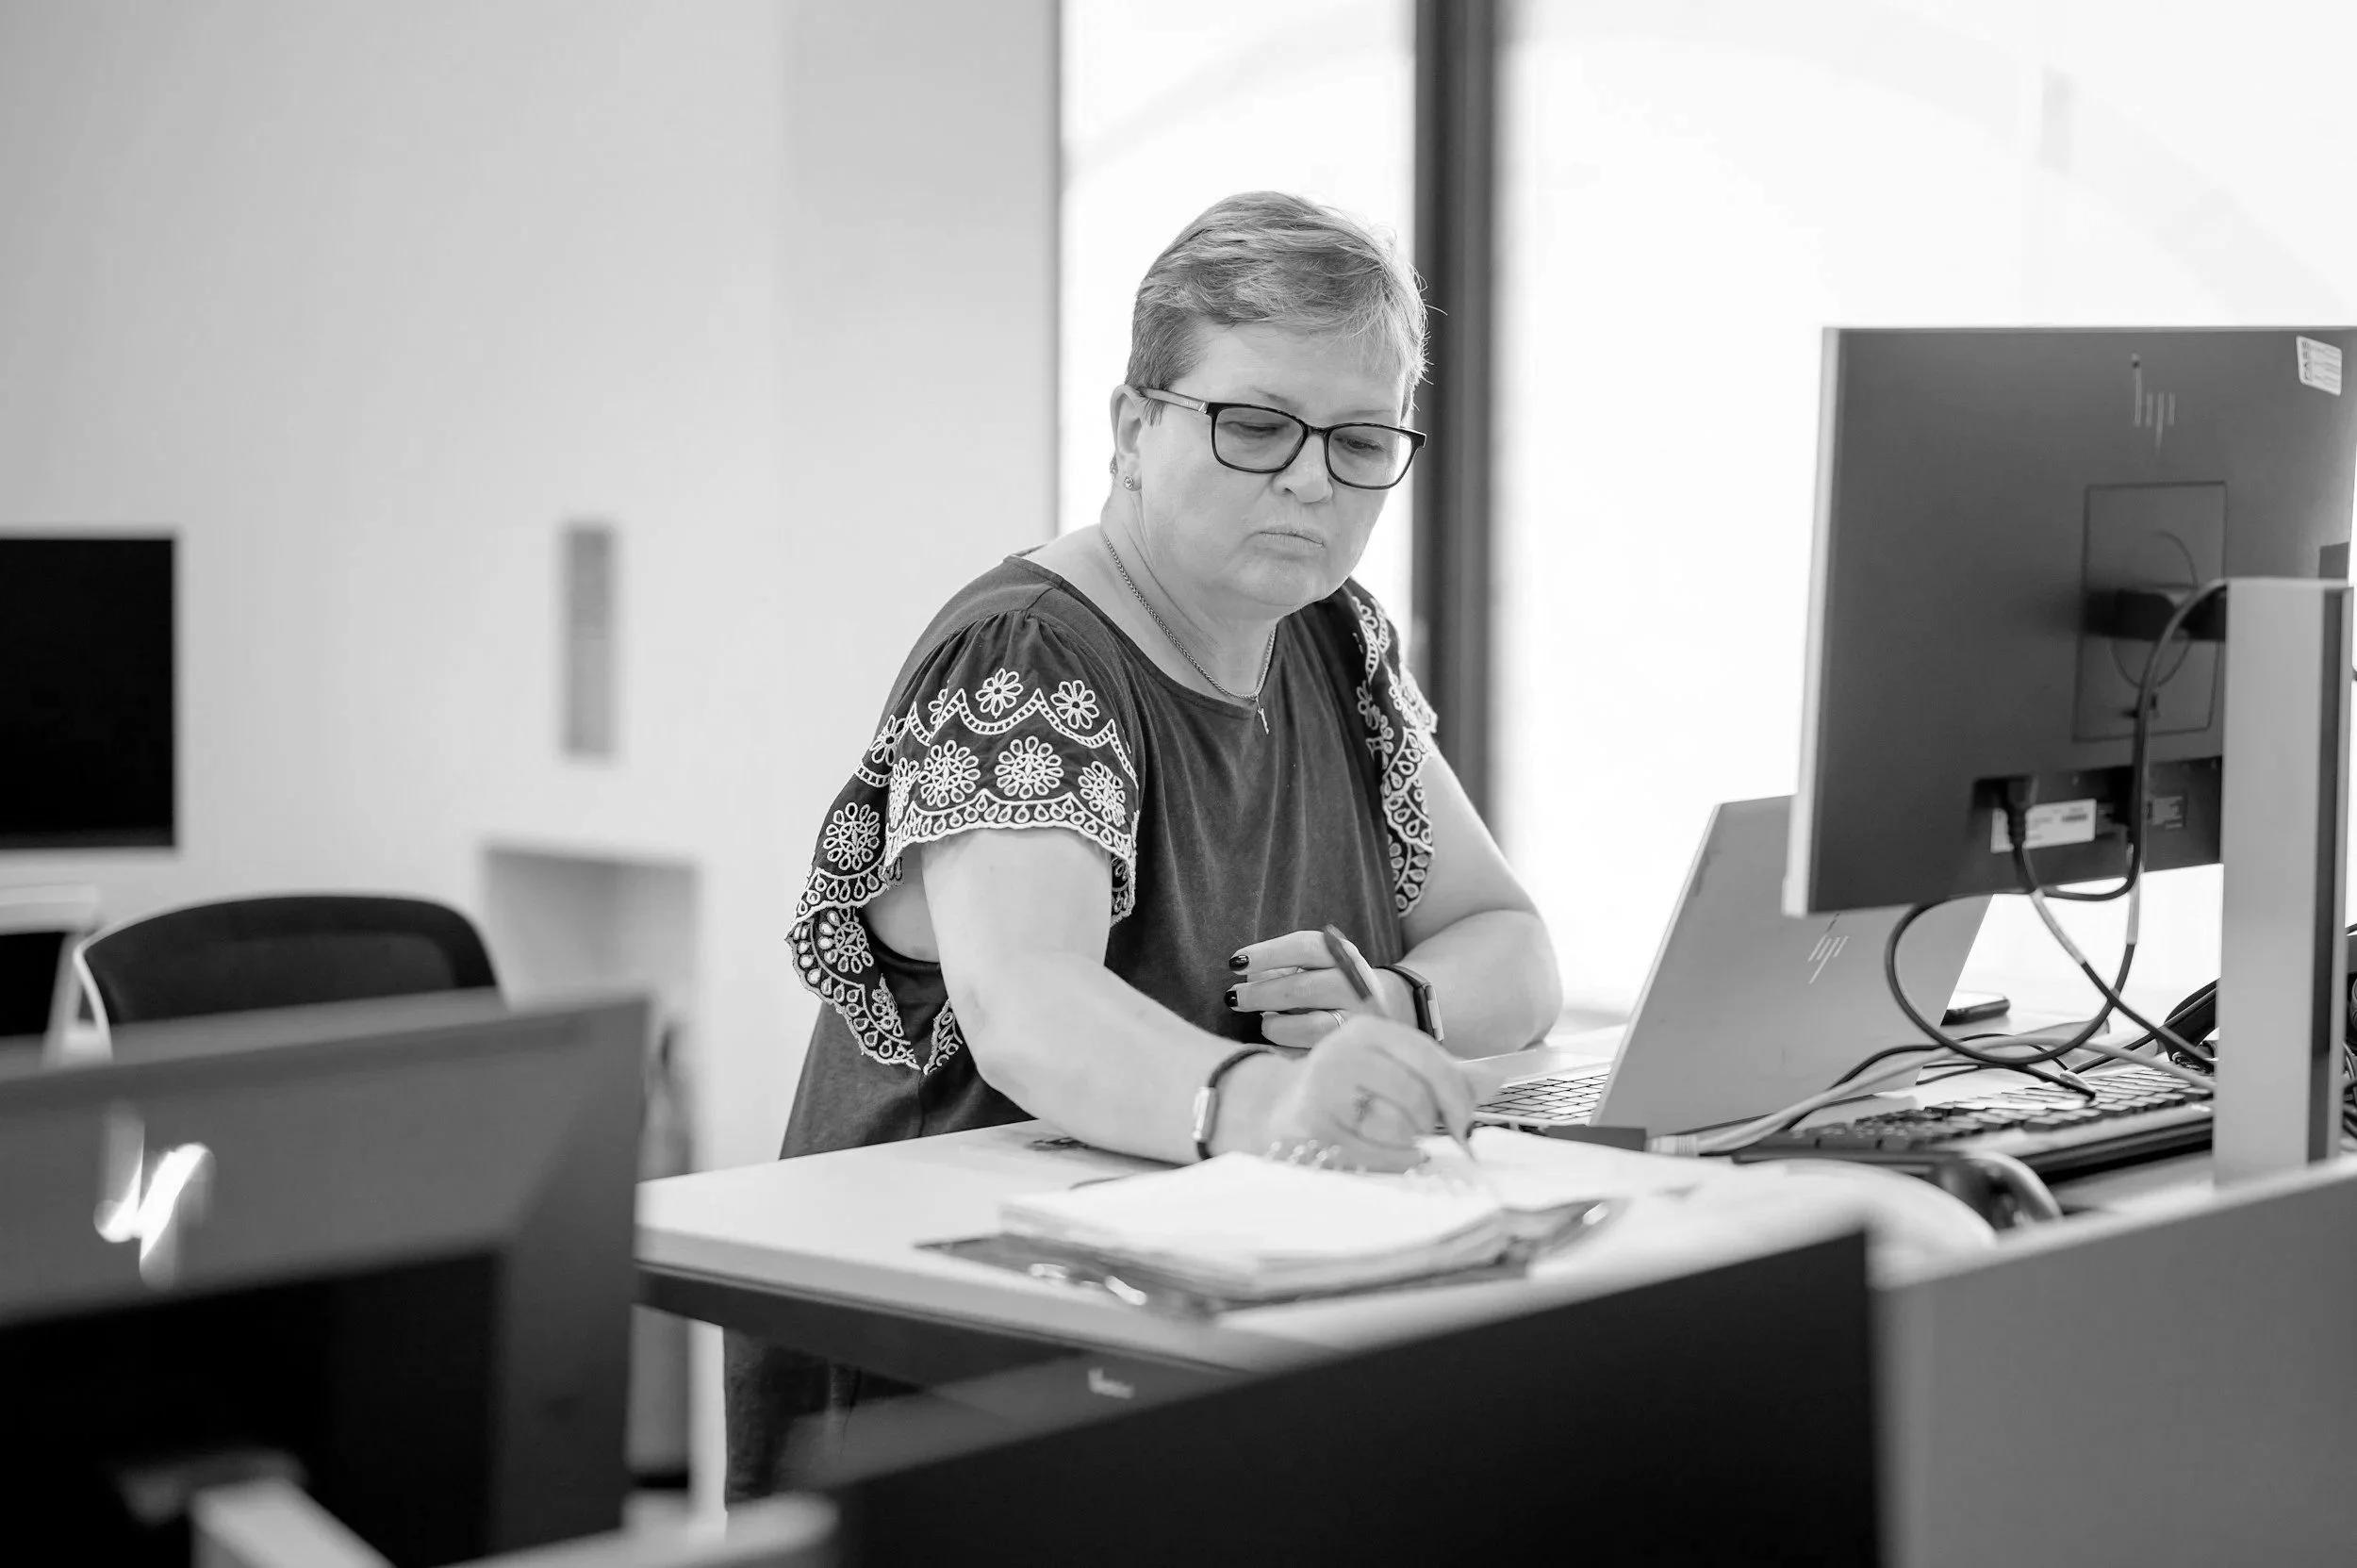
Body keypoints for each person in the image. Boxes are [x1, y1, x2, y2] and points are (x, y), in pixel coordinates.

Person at [728, 190, 1562, 1495]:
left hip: (1192, 1309)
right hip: (950, 1372)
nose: (1308, 476)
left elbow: (1512, 944)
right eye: (1253, 424)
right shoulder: (1030, 656)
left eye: (1357, 439)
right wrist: (1273, 1101)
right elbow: (1031, 1007)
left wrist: (1392, 1005)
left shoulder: (1334, 644)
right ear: (1132, 426)